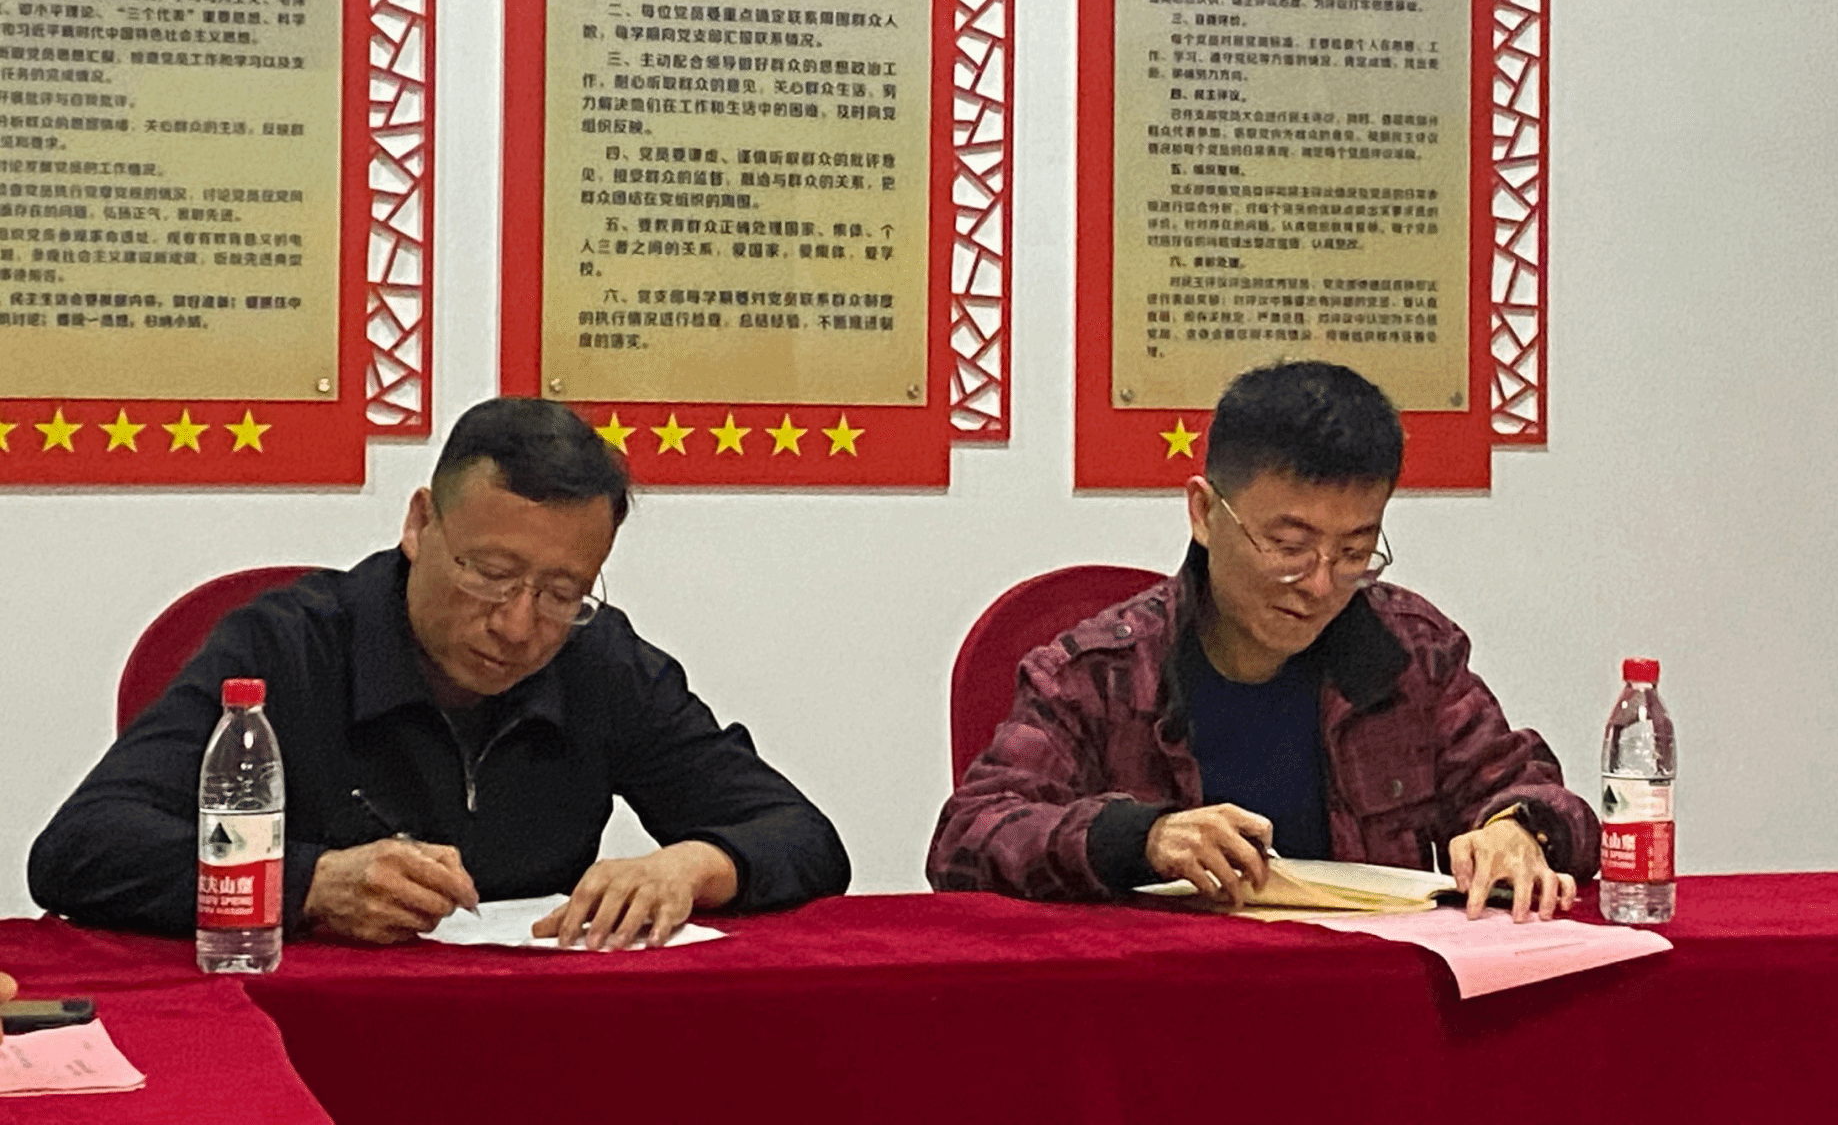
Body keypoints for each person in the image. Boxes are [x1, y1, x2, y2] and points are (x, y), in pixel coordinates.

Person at [30, 397, 849, 949]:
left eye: (562, 592)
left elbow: (802, 836)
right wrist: (309, 883)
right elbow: (83, 848)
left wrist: (692, 865)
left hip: (530, 1038)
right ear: (421, 524)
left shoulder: (601, 663)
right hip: (303, 1030)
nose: (518, 625)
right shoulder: (286, 648)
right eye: (490, 574)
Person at [929, 360, 1596, 921]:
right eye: (1289, 546)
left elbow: (1539, 794)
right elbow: (968, 837)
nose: (1320, 584)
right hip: (1165, 1001)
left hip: (1363, 994)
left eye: (1355, 551)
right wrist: (1142, 838)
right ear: (1204, 513)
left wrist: (1517, 829)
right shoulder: (1100, 672)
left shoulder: (1407, 654)